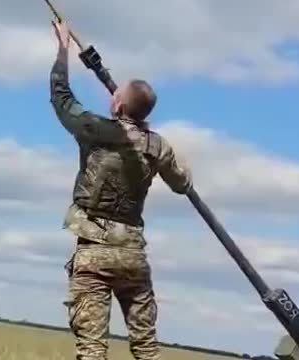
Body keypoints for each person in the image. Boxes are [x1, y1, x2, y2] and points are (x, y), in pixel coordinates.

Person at [49, 20, 193, 360]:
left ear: (117, 106)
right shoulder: (158, 147)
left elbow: (61, 97)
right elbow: (182, 184)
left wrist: (62, 48)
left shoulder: (96, 130)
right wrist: (149, 139)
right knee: (146, 348)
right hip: (132, 255)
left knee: (92, 350)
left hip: (93, 251)